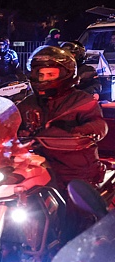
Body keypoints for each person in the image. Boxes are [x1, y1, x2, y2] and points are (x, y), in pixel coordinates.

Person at [18, 46, 107, 189]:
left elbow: (98, 124)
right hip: (36, 163)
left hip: (73, 168)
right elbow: (9, 121)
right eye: (41, 75)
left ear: (66, 74)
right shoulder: (28, 102)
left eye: (50, 74)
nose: (45, 79)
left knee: (74, 200)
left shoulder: (82, 100)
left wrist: (79, 132)